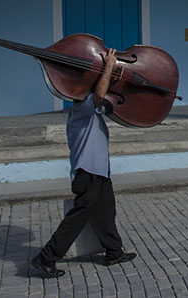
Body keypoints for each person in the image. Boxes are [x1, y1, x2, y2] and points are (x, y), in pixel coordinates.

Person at [30, 48, 137, 278]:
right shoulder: (83, 109)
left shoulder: (91, 110)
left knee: (106, 210)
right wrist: (107, 66)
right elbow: (99, 94)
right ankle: (46, 257)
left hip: (98, 171)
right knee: (79, 215)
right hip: (87, 173)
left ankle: (113, 251)